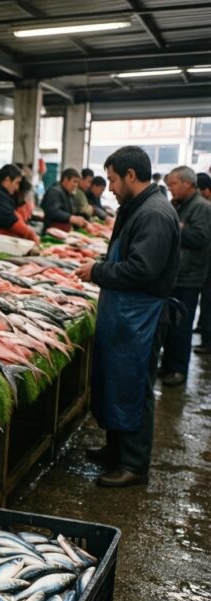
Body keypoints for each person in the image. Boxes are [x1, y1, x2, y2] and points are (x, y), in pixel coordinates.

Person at [74, 146, 179, 488]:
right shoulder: (137, 207)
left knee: (134, 389)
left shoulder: (154, 214)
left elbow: (142, 269)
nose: (111, 188)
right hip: (126, 314)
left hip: (141, 318)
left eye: (114, 180)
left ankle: (134, 464)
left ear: (131, 175)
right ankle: (116, 449)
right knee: (116, 384)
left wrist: (97, 271)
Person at [159, 166, 211, 384]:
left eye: (173, 184)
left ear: (187, 183)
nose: (169, 188)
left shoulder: (201, 207)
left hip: (189, 276)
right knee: (170, 324)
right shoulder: (178, 204)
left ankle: (178, 370)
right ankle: (168, 365)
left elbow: (200, 237)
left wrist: (178, 228)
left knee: (182, 325)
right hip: (176, 274)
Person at [41, 168, 89, 233]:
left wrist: (82, 220)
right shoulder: (54, 191)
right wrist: (71, 218)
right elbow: (53, 211)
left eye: (77, 182)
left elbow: (68, 212)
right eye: (74, 181)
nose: (76, 185)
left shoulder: (67, 193)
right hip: (52, 232)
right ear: (66, 180)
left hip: (63, 231)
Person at [194, 172, 211, 354]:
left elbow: (201, 237)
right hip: (204, 262)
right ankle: (203, 329)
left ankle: (208, 342)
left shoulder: (204, 207)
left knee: (208, 301)